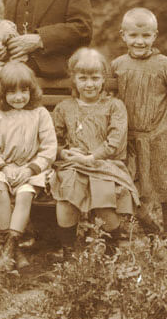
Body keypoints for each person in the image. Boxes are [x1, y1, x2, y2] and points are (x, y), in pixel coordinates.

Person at [111, 8, 167, 247]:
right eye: (133, 36)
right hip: (130, 140)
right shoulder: (117, 65)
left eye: (146, 36)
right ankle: (150, 229)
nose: (139, 41)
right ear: (123, 35)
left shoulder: (166, 66)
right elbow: (108, 98)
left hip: (162, 138)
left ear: (155, 36)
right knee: (133, 191)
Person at [49, 48, 140, 261]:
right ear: (73, 79)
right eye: (83, 78)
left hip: (106, 164)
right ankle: (69, 251)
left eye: (95, 78)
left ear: (104, 79)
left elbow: (115, 142)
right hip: (74, 165)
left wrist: (92, 157)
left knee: (104, 196)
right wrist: (64, 153)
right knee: (67, 195)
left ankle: (112, 247)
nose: (89, 84)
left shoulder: (114, 106)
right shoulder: (64, 107)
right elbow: (53, 139)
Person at [0, 61, 57, 271]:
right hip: (2, 167)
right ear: (2, 94)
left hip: (31, 169)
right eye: (12, 92)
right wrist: (4, 168)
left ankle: (10, 247)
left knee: (25, 194)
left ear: (32, 90)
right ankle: (15, 249)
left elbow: (49, 148)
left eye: (24, 91)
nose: (19, 97)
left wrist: (30, 169)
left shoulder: (40, 114)